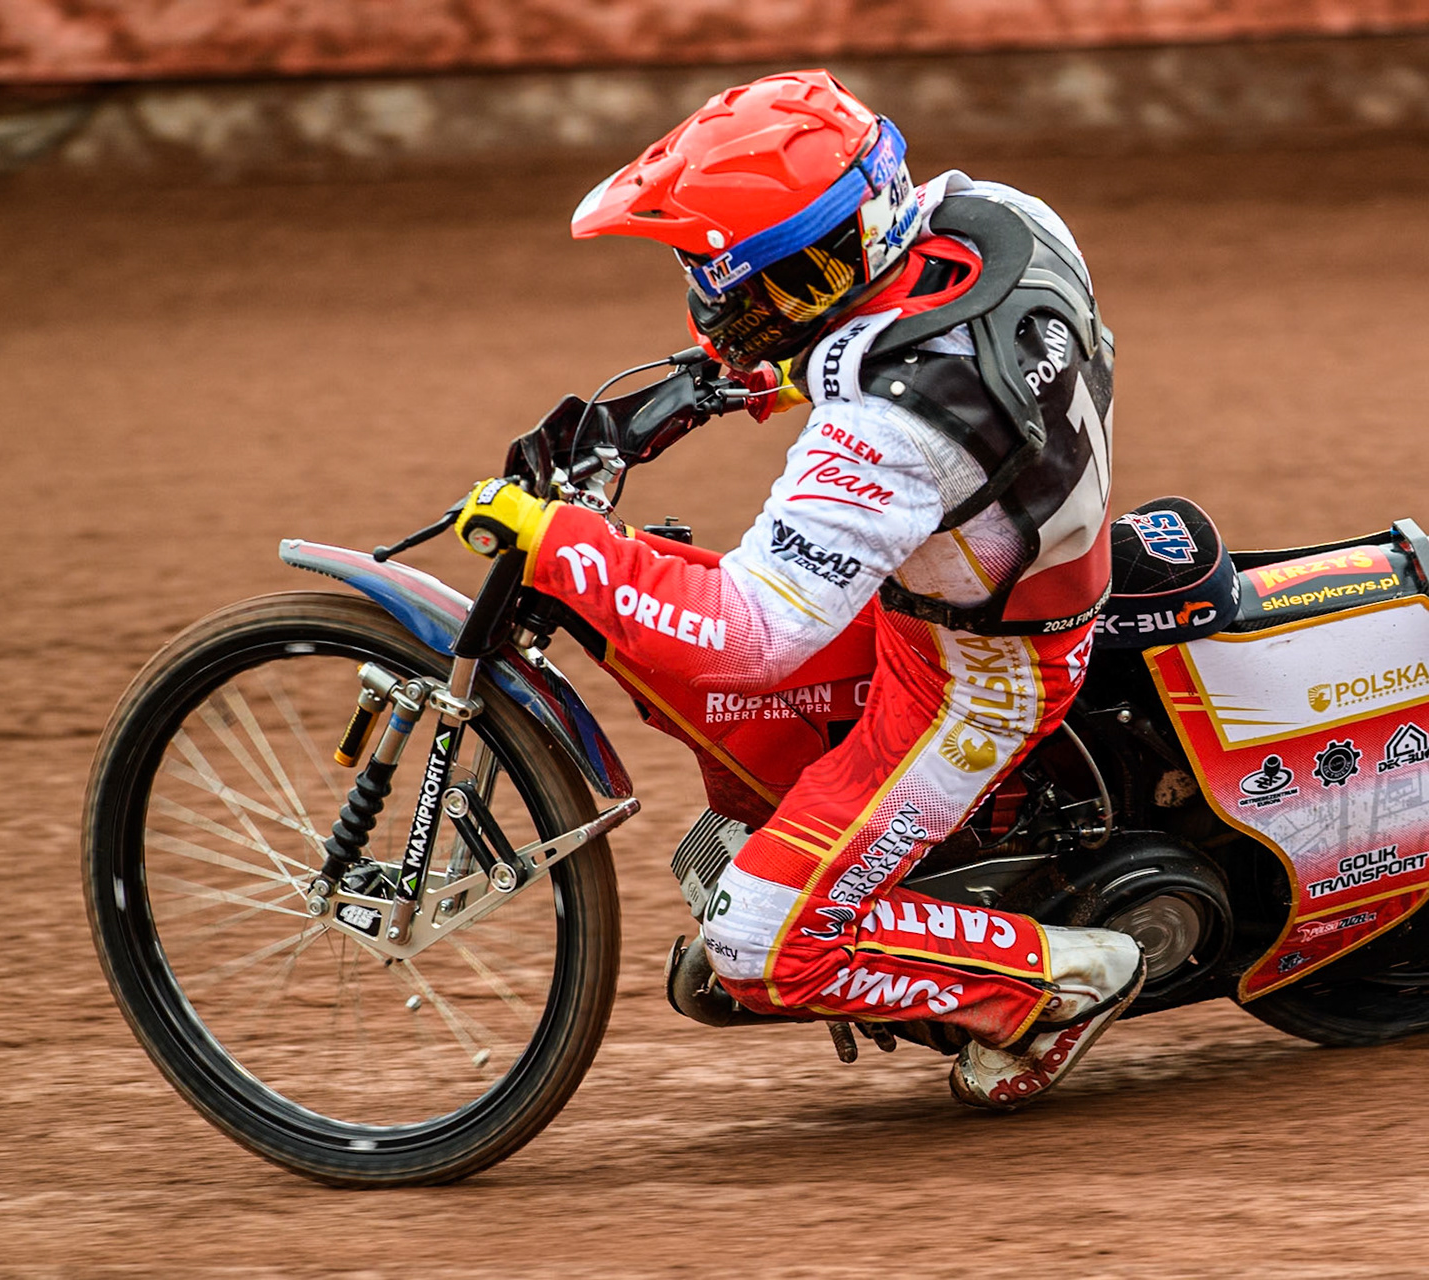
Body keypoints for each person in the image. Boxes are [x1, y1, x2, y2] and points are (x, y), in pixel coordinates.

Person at [452, 70, 1139, 1110]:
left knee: (755, 942)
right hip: (999, 559)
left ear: (805, 273)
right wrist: (735, 377)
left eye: (723, 276)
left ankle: (1061, 981)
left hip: (972, 678)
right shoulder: (998, 218)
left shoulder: (888, 438)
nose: (708, 295)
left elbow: (751, 632)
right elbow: (903, 326)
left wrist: (562, 545)